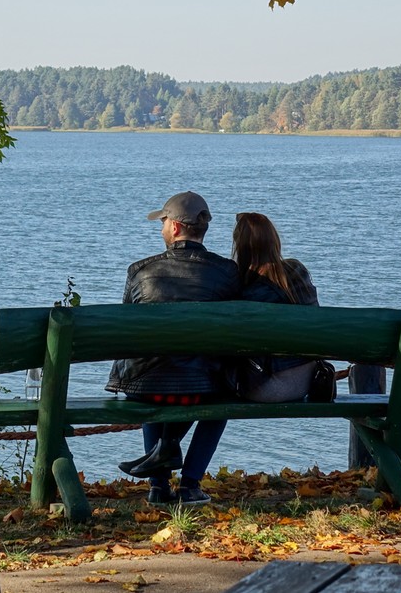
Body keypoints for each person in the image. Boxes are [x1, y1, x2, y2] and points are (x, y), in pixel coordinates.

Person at [105, 191, 240, 505]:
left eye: (163, 222)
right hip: (205, 386)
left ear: (176, 228)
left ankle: (158, 485)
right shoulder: (227, 273)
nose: (161, 228)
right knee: (217, 400)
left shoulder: (140, 271)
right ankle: (190, 485)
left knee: (157, 375)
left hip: (146, 387)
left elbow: (127, 330)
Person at [230, 212, 331, 403]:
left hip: (268, 387)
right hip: (307, 382)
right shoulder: (298, 273)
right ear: (273, 241)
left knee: (214, 382)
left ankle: (172, 434)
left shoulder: (251, 292)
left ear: (240, 247)